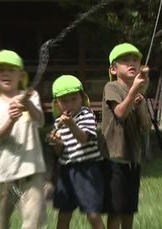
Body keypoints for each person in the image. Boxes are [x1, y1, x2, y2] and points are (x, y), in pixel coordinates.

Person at [0, 50, 47, 229]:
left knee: (34, 220)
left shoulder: (31, 97)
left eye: (12, 70)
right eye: (1, 70)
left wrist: (27, 104)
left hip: (32, 168)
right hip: (5, 172)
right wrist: (11, 119)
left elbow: (40, 121)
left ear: (21, 75)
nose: (6, 73)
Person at [100, 43, 152, 229]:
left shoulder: (139, 93)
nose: (131, 63)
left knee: (129, 209)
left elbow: (146, 127)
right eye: (124, 60)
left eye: (135, 59)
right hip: (114, 157)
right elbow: (120, 113)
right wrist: (132, 94)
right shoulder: (111, 87)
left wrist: (140, 103)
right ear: (113, 69)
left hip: (133, 158)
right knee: (116, 210)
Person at [47, 75, 105, 229]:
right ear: (57, 104)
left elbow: (84, 138)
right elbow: (59, 153)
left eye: (74, 99)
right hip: (66, 169)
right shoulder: (58, 122)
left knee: (92, 213)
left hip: (88, 168)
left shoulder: (86, 114)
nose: (70, 104)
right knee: (64, 213)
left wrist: (71, 124)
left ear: (82, 98)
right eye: (64, 101)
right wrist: (57, 143)